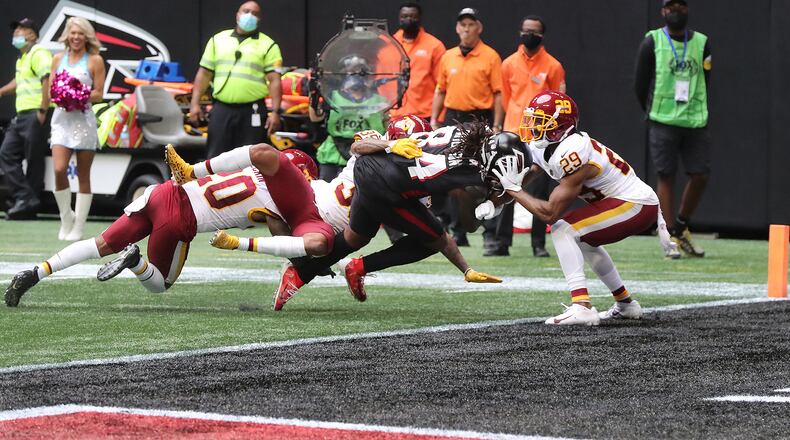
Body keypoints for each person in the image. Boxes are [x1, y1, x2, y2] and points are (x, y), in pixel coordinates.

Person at [3, 146, 324, 307]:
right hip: (181, 220)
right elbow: (287, 244)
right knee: (159, 284)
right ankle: (135, 261)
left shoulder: (252, 166)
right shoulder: (277, 202)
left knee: (100, 243)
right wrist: (308, 259)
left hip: (164, 191)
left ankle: (36, 272)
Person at [269, 123, 523, 311]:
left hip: (362, 188)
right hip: (357, 196)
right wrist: (465, 267)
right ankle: (344, 267)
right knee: (434, 239)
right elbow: (456, 230)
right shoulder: (462, 165)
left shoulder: (461, 137)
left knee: (357, 238)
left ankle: (302, 274)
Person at [481, 91, 677, 326]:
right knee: (582, 240)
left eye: (541, 121)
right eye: (533, 120)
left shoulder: (573, 150)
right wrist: (496, 200)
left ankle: (582, 306)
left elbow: (550, 212)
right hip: (626, 203)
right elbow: (524, 179)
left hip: (636, 204)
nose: (533, 126)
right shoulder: (547, 145)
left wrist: (512, 189)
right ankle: (625, 304)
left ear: (560, 126)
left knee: (563, 229)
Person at [634, 0, 710, 258]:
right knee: (666, 175)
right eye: (670, 6)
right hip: (663, 119)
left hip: (694, 120)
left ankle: (681, 226)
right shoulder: (652, 41)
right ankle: (669, 239)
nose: (675, 10)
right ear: (663, 11)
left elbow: (706, 79)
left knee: (700, 175)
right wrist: (651, 110)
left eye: (680, 5)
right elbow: (640, 82)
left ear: (687, 9)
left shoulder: (701, 42)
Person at [430, 8, 504, 248]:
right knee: (451, 173)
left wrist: (496, 123)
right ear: (457, 28)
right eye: (462, 24)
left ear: (478, 27)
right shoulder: (448, 56)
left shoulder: (490, 56)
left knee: (488, 172)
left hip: (479, 118)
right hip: (453, 118)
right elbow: (440, 89)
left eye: (470, 24)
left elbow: (498, 93)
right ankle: (457, 229)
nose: (466, 29)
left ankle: (489, 232)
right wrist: (434, 119)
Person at [500, 15, 566, 258]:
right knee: (507, 184)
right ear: (520, 32)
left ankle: (538, 243)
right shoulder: (508, 63)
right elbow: (507, 98)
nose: (529, 35)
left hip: (541, 137)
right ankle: (500, 242)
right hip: (513, 133)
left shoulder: (553, 65)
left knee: (539, 190)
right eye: (525, 30)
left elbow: (560, 101)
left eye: (534, 31)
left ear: (542, 35)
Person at [190, 0, 282, 159]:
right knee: (215, 158)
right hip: (221, 109)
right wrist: (194, 104)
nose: (249, 15)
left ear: (260, 19)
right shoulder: (218, 40)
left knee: (250, 161)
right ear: (237, 15)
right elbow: (204, 74)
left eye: (255, 13)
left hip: (252, 110)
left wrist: (275, 112)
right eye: (246, 11)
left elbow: (274, 81)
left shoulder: (268, 45)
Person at [49, 17, 106, 241]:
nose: (76, 37)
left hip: (84, 121)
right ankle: (66, 218)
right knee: (59, 169)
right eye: (73, 33)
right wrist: (62, 97)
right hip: (62, 120)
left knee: (83, 175)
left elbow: (99, 93)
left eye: (80, 33)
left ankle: (79, 226)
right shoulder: (57, 59)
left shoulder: (95, 60)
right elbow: (52, 91)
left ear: (86, 36)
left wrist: (79, 96)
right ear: (67, 35)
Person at [0, 18, 51, 220]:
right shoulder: (23, 58)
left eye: (21, 29)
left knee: (34, 159)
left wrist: (43, 110)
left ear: (32, 34)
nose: (16, 33)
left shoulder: (39, 53)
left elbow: (47, 78)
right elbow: (19, 81)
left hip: (35, 113)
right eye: (16, 30)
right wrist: (2, 91)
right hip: (22, 116)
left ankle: (28, 203)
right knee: (6, 153)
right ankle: (26, 198)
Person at [310, 65, 387, 181]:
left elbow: (387, 127)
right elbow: (315, 118)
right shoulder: (332, 97)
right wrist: (313, 96)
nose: (356, 77)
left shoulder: (380, 101)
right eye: (352, 73)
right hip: (333, 153)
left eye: (361, 73)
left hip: (368, 154)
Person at [390, 2, 445, 120]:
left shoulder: (434, 46)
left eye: (412, 16)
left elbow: (442, 85)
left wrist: (438, 118)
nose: (408, 19)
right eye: (404, 16)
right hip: (395, 115)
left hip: (425, 115)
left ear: (419, 18)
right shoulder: (390, 44)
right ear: (399, 18)